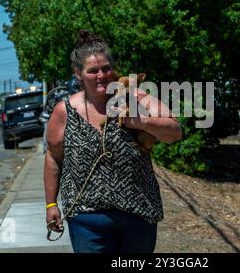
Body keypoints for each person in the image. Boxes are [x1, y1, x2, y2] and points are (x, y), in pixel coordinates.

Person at [44, 30, 182, 253]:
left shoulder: (135, 98)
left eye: (106, 68)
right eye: (93, 70)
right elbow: (53, 158)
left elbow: (174, 132)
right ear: (78, 74)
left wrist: (142, 122)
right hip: (86, 219)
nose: (101, 75)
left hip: (139, 213)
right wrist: (51, 204)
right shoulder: (65, 112)